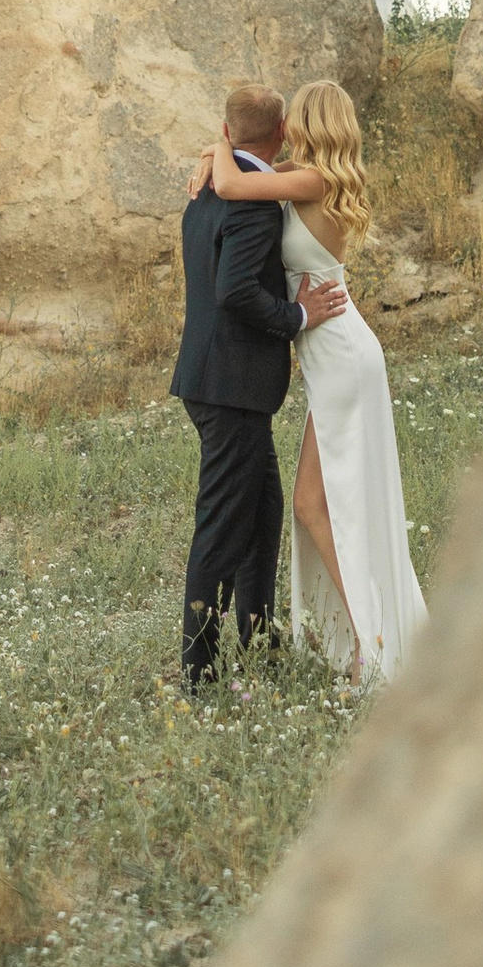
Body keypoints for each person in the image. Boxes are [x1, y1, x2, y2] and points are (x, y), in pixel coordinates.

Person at [191, 78, 429, 683]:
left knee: (320, 505)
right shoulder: (312, 174)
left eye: (296, 116)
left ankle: (370, 647)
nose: (288, 126)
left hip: (341, 355)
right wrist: (216, 149)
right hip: (335, 356)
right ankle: (363, 637)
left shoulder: (312, 182)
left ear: (306, 123)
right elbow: (241, 169)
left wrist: (215, 147)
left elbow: (233, 182)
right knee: (317, 503)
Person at [171, 78, 347, 690]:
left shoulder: (207, 190)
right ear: (281, 135)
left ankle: (257, 635)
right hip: (231, 386)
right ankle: (199, 672)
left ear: (225, 132)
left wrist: (210, 151)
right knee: (222, 526)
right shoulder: (248, 200)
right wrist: (297, 316)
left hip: (219, 381)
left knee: (265, 510)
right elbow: (237, 290)